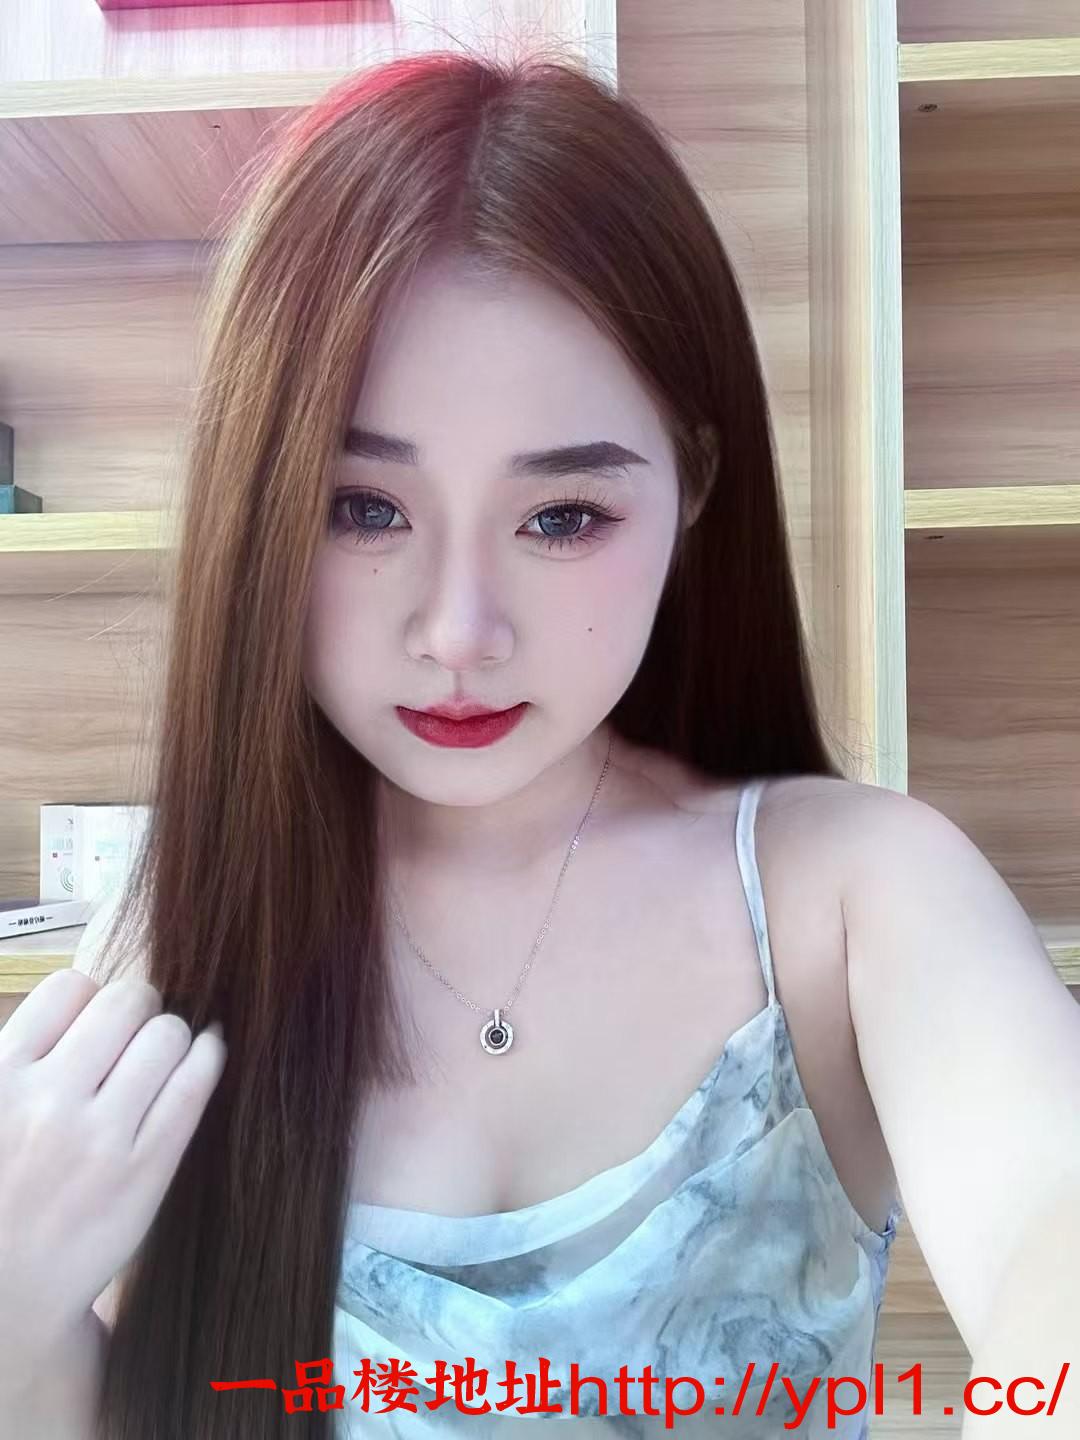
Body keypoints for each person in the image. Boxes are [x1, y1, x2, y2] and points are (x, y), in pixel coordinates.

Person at [2, 39, 1078, 1440]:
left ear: (692, 487)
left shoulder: (852, 897)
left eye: (563, 517)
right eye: (361, 509)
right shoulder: (193, 919)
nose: (459, 631)